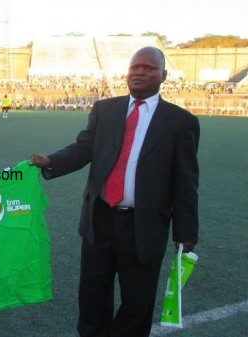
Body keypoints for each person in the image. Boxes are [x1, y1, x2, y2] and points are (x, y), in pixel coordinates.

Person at [29, 46, 200, 337]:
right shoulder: (105, 110)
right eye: (135, 67)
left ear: (164, 75)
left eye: (148, 68)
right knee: (92, 299)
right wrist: (51, 161)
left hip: (144, 226)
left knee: (137, 303)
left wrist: (186, 232)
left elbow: (185, 181)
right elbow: (83, 148)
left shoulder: (181, 122)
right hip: (100, 221)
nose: (139, 72)